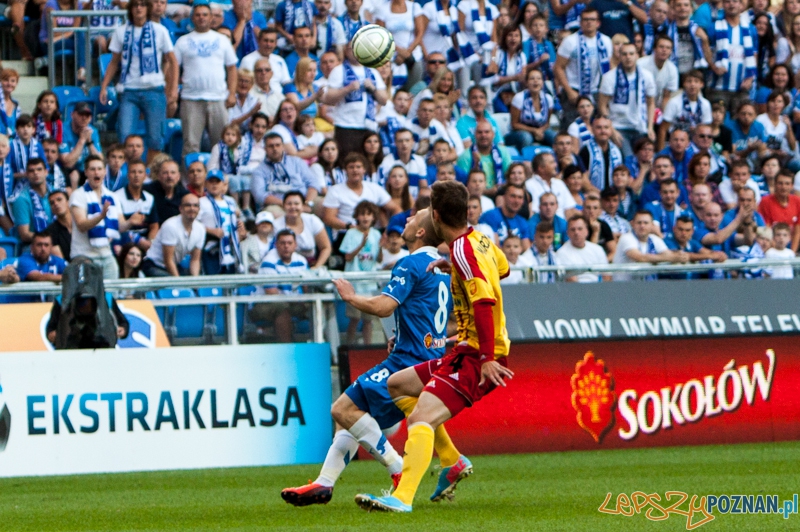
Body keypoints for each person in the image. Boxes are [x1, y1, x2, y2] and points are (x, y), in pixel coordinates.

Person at [354, 180, 514, 513]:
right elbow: (504, 268)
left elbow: (483, 301)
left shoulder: (461, 251)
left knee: (421, 420)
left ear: (437, 216)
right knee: (396, 384)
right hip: (468, 349)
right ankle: (451, 461)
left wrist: (485, 359)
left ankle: (402, 497)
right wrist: (457, 268)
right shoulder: (480, 239)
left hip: (478, 354)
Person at [281, 207, 454, 507]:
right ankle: (324, 484)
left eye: (413, 219)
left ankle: (398, 469)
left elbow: (385, 306)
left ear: (422, 232)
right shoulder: (440, 267)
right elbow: (428, 314)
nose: (407, 221)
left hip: (406, 363)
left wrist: (351, 297)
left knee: (342, 409)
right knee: (353, 416)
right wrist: (401, 336)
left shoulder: (410, 263)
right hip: (424, 359)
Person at [100, 0, 178, 163]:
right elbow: (114, 61)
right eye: (135, 5)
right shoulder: (121, 32)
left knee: (156, 137)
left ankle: (149, 172)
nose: (139, 8)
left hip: (154, 89)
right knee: (125, 135)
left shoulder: (160, 30)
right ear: (130, 9)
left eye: (142, 5)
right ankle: (128, 172)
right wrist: (103, 86)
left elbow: (172, 60)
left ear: (148, 9)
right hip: (129, 90)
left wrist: (173, 88)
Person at [174, 1, 238, 159]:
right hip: (191, 99)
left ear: (211, 18)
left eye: (205, 15)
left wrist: (231, 94)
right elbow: (173, 68)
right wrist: (173, 91)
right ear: (192, 18)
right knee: (190, 145)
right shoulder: (183, 41)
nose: (201, 18)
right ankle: (188, 182)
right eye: (198, 15)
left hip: (218, 99)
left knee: (222, 144)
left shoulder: (222, 40)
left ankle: (222, 180)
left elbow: (232, 68)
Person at [70, 156, 143, 279]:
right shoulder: (78, 195)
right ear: (86, 172)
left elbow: (120, 226)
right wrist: (101, 216)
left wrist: (130, 222)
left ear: (104, 172)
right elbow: (81, 225)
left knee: (111, 293)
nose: (96, 172)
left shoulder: (112, 196)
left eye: (99, 169)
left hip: (106, 254)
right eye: (92, 169)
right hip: (84, 255)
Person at [322, 42, 389, 156]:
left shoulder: (372, 71)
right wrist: (347, 89)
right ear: (346, 52)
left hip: (368, 125)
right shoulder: (339, 70)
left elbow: (384, 100)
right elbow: (329, 99)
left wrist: (373, 89)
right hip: (346, 125)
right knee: (348, 161)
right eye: (352, 48)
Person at [554, 9, 614, 125]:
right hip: (574, 90)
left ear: (598, 23)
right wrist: (569, 90)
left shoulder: (606, 41)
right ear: (580, 22)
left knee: (596, 126)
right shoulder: (570, 41)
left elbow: (609, 67)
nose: (589, 22)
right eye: (585, 20)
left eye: (592, 19)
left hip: (596, 91)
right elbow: (558, 67)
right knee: (572, 126)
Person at [597, 43, 655, 158]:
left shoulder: (646, 76)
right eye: (624, 54)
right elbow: (602, 106)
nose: (628, 57)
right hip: (619, 127)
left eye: (631, 54)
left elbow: (650, 103)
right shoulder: (609, 77)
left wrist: (650, 127)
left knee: (645, 159)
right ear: (619, 56)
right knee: (628, 158)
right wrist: (611, 130)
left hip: (640, 126)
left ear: (637, 55)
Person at [253, 229, 311, 342]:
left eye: (289, 243)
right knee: (281, 307)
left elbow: (306, 286)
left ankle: (328, 348)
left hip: (293, 301)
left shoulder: (301, 261)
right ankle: (287, 348)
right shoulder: (269, 262)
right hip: (264, 304)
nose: (286, 246)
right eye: (282, 243)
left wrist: (306, 301)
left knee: (322, 304)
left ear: (295, 245)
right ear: (276, 245)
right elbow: (272, 293)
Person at [340, 200, 383, 345]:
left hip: (370, 285)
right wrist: (361, 245)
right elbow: (348, 257)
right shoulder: (351, 233)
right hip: (355, 286)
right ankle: (350, 346)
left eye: (368, 214)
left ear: (373, 217)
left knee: (368, 320)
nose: (365, 218)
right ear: (357, 216)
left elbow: (379, 259)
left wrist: (382, 247)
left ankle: (367, 347)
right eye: (362, 214)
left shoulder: (376, 234)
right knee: (354, 318)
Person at [323, 153, 393, 236]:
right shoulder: (335, 190)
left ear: (364, 170)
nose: (355, 170)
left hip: (372, 234)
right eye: (351, 167)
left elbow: (396, 209)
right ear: (345, 170)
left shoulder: (374, 188)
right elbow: (328, 218)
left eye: (358, 167)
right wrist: (350, 226)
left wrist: (389, 230)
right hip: (346, 233)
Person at [707, 0, 757, 112]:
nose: (731, 4)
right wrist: (713, 66)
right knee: (718, 125)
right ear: (723, 5)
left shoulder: (751, 29)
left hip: (741, 88)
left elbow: (754, 55)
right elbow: (707, 52)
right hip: (718, 87)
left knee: (740, 125)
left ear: (741, 5)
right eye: (727, 2)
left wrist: (751, 77)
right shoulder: (714, 27)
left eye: (735, 1)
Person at [612, 209, 689, 280]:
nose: (642, 226)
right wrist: (671, 258)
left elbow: (668, 254)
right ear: (632, 224)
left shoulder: (654, 239)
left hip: (645, 288)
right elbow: (641, 258)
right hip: (623, 288)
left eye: (646, 223)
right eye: (639, 222)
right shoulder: (626, 238)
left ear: (652, 225)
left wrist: (680, 256)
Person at [142, 193, 205, 276]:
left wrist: (195, 284)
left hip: (174, 265)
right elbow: (168, 260)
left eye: (195, 206)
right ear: (180, 208)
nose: (192, 208)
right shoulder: (171, 226)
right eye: (188, 205)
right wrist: (179, 285)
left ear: (199, 209)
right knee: (179, 286)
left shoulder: (200, 228)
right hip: (155, 265)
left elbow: (195, 260)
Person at [198, 170, 245, 274]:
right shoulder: (201, 202)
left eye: (217, 181)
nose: (214, 184)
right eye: (211, 181)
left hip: (230, 246)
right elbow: (194, 224)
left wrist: (241, 228)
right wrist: (211, 231)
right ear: (206, 184)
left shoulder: (230, 201)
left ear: (223, 184)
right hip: (211, 246)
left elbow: (238, 218)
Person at [273, 190, 332, 267]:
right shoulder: (276, 225)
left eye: (296, 204)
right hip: (283, 265)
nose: (293, 207)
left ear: (303, 206)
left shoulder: (313, 220)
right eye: (289, 204)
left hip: (311, 265)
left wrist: (316, 267)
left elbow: (326, 247)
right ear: (283, 206)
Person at [112, 159, 159, 251]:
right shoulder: (117, 197)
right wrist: (139, 241)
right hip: (124, 243)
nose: (136, 175)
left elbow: (154, 226)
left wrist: (150, 242)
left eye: (140, 172)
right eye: (133, 172)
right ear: (128, 175)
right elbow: (117, 227)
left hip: (145, 244)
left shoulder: (150, 198)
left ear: (145, 176)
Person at [662, 215, 728, 279]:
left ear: (692, 231)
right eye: (680, 229)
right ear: (674, 229)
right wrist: (710, 256)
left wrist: (719, 254)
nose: (684, 233)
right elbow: (682, 256)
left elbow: (706, 252)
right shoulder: (667, 241)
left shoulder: (692, 242)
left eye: (687, 230)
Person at [455, 121, 512, 193]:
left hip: (500, 193)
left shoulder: (503, 152)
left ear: (493, 134)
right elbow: (463, 185)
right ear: (475, 135)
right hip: (473, 196)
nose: (483, 135)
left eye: (487, 132)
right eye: (480, 132)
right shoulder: (466, 156)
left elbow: (510, 177)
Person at [506, 69, 556, 150]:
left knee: (555, 137)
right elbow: (514, 124)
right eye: (532, 79)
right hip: (519, 131)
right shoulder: (519, 98)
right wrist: (534, 131)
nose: (535, 81)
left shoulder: (548, 99)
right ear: (526, 82)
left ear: (543, 82)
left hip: (540, 129)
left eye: (539, 79)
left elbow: (547, 123)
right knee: (526, 138)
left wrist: (539, 131)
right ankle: (525, 160)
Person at [59, 103, 102, 188]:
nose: (84, 118)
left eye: (87, 115)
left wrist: (89, 143)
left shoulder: (93, 131)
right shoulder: (63, 130)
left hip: (85, 170)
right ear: (72, 115)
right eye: (81, 114)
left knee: (98, 171)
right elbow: (68, 163)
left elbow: (100, 161)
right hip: (66, 171)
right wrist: (82, 140)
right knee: (74, 175)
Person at [11, 158, 52, 247]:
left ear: (46, 172)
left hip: (57, 243)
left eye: (39, 169)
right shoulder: (21, 199)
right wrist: (51, 239)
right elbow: (24, 235)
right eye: (31, 171)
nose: (35, 173)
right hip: (31, 247)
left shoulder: (55, 194)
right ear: (27, 175)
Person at [556, 215, 609, 282]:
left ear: (587, 231)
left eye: (580, 229)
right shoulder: (561, 253)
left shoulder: (598, 249)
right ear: (567, 233)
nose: (576, 232)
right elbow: (571, 280)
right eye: (573, 229)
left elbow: (607, 276)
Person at [479, 184, 531, 250]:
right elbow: (494, 248)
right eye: (513, 196)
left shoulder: (523, 222)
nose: (516, 201)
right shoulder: (491, 216)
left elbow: (526, 250)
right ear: (504, 197)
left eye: (520, 197)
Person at [526, 152, 576, 219]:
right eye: (552, 163)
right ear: (541, 168)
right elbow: (534, 212)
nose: (555, 165)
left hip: (562, 226)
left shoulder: (559, 183)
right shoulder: (529, 185)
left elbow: (569, 209)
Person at [760, 171, 800, 251]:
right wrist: (778, 252)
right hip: (771, 246)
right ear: (775, 185)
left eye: (787, 184)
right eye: (780, 183)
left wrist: (792, 253)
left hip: (792, 245)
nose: (783, 187)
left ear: (792, 186)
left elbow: (797, 230)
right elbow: (766, 230)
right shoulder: (765, 201)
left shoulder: (797, 201)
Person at [380, 129, 428, 196]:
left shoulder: (419, 160)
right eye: (400, 141)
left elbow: (423, 187)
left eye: (407, 140)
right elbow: (384, 187)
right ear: (395, 143)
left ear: (412, 142)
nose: (404, 144)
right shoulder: (387, 161)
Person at [580, 115, 622, 191]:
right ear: (592, 129)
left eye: (606, 127)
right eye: (599, 128)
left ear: (611, 130)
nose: (603, 131)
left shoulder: (617, 151)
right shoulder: (585, 151)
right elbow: (583, 180)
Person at [636, 35, 678, 109]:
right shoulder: (640, 64)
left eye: (668, 48)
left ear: (671, 51)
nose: (664, 50)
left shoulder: (672, 69)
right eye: (661, 47)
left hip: (657, 107)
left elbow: (666, 97)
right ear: (655, 48)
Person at [144, 159, 188, 224]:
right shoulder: (147, 191)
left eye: (173, 173)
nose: (169, 176)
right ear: (159, 176)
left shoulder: (185, 195)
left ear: (179, 176)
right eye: (165, 173)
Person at [9, 115, 46, 179]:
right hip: (16, 182)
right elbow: (6, 172)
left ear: (33, 130)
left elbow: (45, 168)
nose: (25, 129)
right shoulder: (11, 146)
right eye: (22, 126)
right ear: (17, 130)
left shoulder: (38, 145)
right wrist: (23, 175)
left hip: (35, 181)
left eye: (28, 126)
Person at [47, 190, 73, 260]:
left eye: (59, 200)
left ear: (68, 202)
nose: (56, 204)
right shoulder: (51, 231)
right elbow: (61, 261)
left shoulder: (81, 223)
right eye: (52, 203)